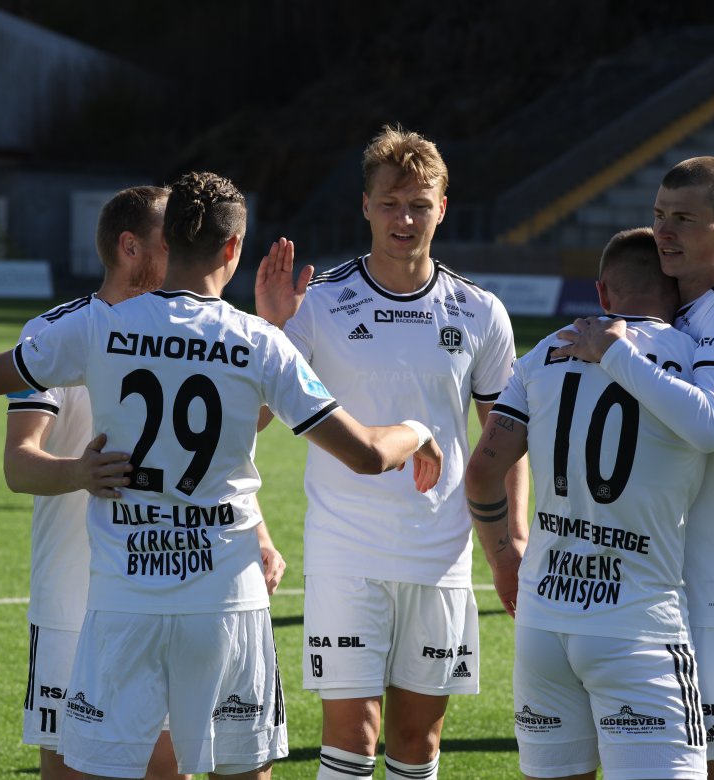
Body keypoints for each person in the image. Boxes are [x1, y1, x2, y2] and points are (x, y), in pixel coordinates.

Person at [0, 170, 444, 780]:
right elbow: (369, 453)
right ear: (233, 248)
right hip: (226, 605)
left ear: (168, 244)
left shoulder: (99, 328)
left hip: (124, 603)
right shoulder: (258, 342)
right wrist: (418, 429)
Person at [467, 227, 714, 780]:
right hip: (638, 625)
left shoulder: (544, 354)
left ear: (603, 292)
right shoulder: (695, 369)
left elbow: (482, 474)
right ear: (677, 292)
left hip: (545, 617)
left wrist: (505, 557)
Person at [255, 125, 524, 780]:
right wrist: (271, 330)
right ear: (366, 207)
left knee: (417, 741)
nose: (404, 220)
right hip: (345, 551)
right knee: (352, 735)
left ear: (442, 209)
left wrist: (510, 544)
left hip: (441, 554)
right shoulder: (317, 304)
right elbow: (251, 418)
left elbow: (504, 439)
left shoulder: (480, 311)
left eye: (419, 205)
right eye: (390, 204)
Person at [4, 185, 267, 780]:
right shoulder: (55, 332)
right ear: (130, 248)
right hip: (71, 600)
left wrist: (262, 535)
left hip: (164, 596)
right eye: (168, 239)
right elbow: (18, 463)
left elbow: (218, 464)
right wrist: (78, 472)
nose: (182, 251)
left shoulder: (192, 337)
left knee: (167, 769)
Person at [553, 157, 714, 780]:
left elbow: (712, 423)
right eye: (659, 215)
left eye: (684, 219)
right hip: (653, 591)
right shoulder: (667, 318)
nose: (664, 231)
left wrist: (615, 356)